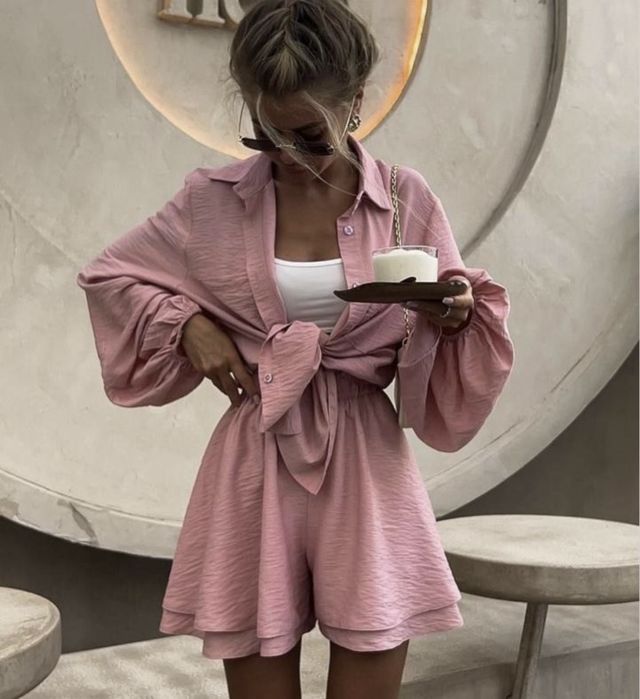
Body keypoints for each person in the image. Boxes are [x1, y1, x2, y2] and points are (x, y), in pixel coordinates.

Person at [76, 1, 515, 697]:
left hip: (366, 460)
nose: (288, 157)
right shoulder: (211, 201)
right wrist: (185, 323)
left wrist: (457, 313)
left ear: (356, 104)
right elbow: (109, 276)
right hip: (256, 454)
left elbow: (457, 311)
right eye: (268, 136)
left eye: (310, 136)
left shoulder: (405, 197)